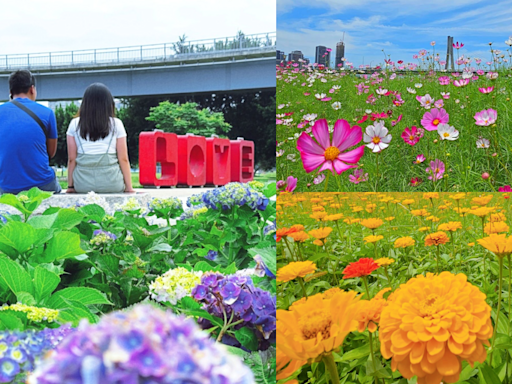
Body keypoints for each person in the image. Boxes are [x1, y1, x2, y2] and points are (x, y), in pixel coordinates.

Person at [0, 70, 61, 194]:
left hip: (6, 185)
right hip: (42, 184)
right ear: (32, 89)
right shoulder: (47, 113)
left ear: (10, 93)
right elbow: (51, 152)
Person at [66, 83, 135, 193]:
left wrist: (70, 187)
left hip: (83, 184)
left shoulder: (74, 124)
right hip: (112, 183)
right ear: (108, 104)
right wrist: (129, 187)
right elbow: (124, 159)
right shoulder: (117, 124)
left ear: (85, 104)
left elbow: (71, 159)